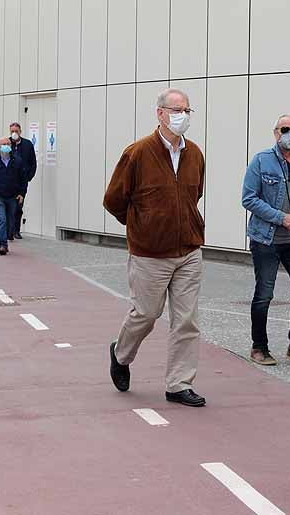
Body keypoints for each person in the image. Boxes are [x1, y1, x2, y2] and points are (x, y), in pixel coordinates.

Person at [104, 88, 207, 408]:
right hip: (150, 253)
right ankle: (121, 354)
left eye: (187, 111)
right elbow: (114, 200)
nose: (182, 116)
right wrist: (143, 224)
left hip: (188, 249)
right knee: (146, 314)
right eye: (176, 110)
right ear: (160, 113)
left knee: (187, 321)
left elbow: (194, 195)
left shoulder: (195, 155)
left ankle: (179, 383)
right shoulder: (137, 153)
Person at [240, 115, 290, 367]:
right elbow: (248, 198)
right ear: (276, 132)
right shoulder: (261, 160)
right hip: (267, 239)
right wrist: (280, 217)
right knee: (264, 294)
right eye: (285, 129)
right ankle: (259, 347)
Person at [0, 137, 27, 255]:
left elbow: (23, 179)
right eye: (3, 144)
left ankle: (8, 235)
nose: (6, 146)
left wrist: (22, 194)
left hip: (13, 196)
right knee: (1, 219)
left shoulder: (17, 161)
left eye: (8, 144)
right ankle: (2, 244)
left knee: (10, 219)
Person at [9, 122, 37, 239]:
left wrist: (28, 177)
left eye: (16, 131)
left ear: (20, 131)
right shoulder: (7, 143)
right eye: (12, 131)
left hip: (22, 182)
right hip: (9, 180)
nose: (14, 133)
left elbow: (33, 163)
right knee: (9, 206)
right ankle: (9, 230)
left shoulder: (27, 144)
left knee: (18, 206)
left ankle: (16, 230)